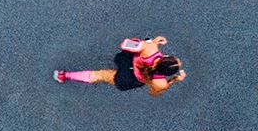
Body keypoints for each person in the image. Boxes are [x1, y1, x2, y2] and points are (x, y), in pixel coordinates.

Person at [56, 36, 186, 95]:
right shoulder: (161, 83)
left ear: (165, 58)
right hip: (129, 78)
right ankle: (65, 76)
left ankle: (65, 74)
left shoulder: (151, 49)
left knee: (100, 72)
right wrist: (174, 80)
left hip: (128, 61)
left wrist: (152, 41)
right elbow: (153, 92)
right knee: (99, 76)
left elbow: (125, 44)